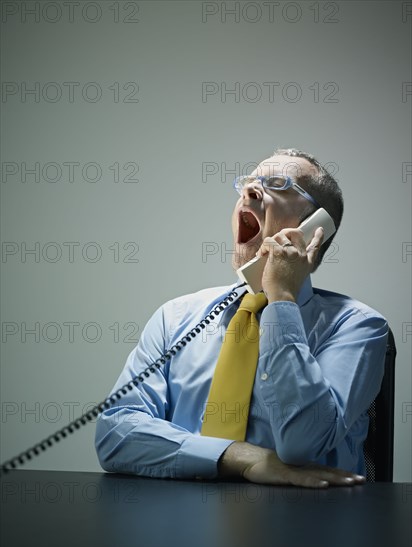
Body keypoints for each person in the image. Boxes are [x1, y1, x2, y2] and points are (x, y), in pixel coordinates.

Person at [95, 148, 388, 488]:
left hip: (303, 526)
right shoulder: (175, 318)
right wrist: (242, 458)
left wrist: (281, 298)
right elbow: (114, 435)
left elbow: (302, 443)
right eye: (248, 182)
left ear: (315, 228)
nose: (250, 190)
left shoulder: (358, 327)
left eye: (277, 184)